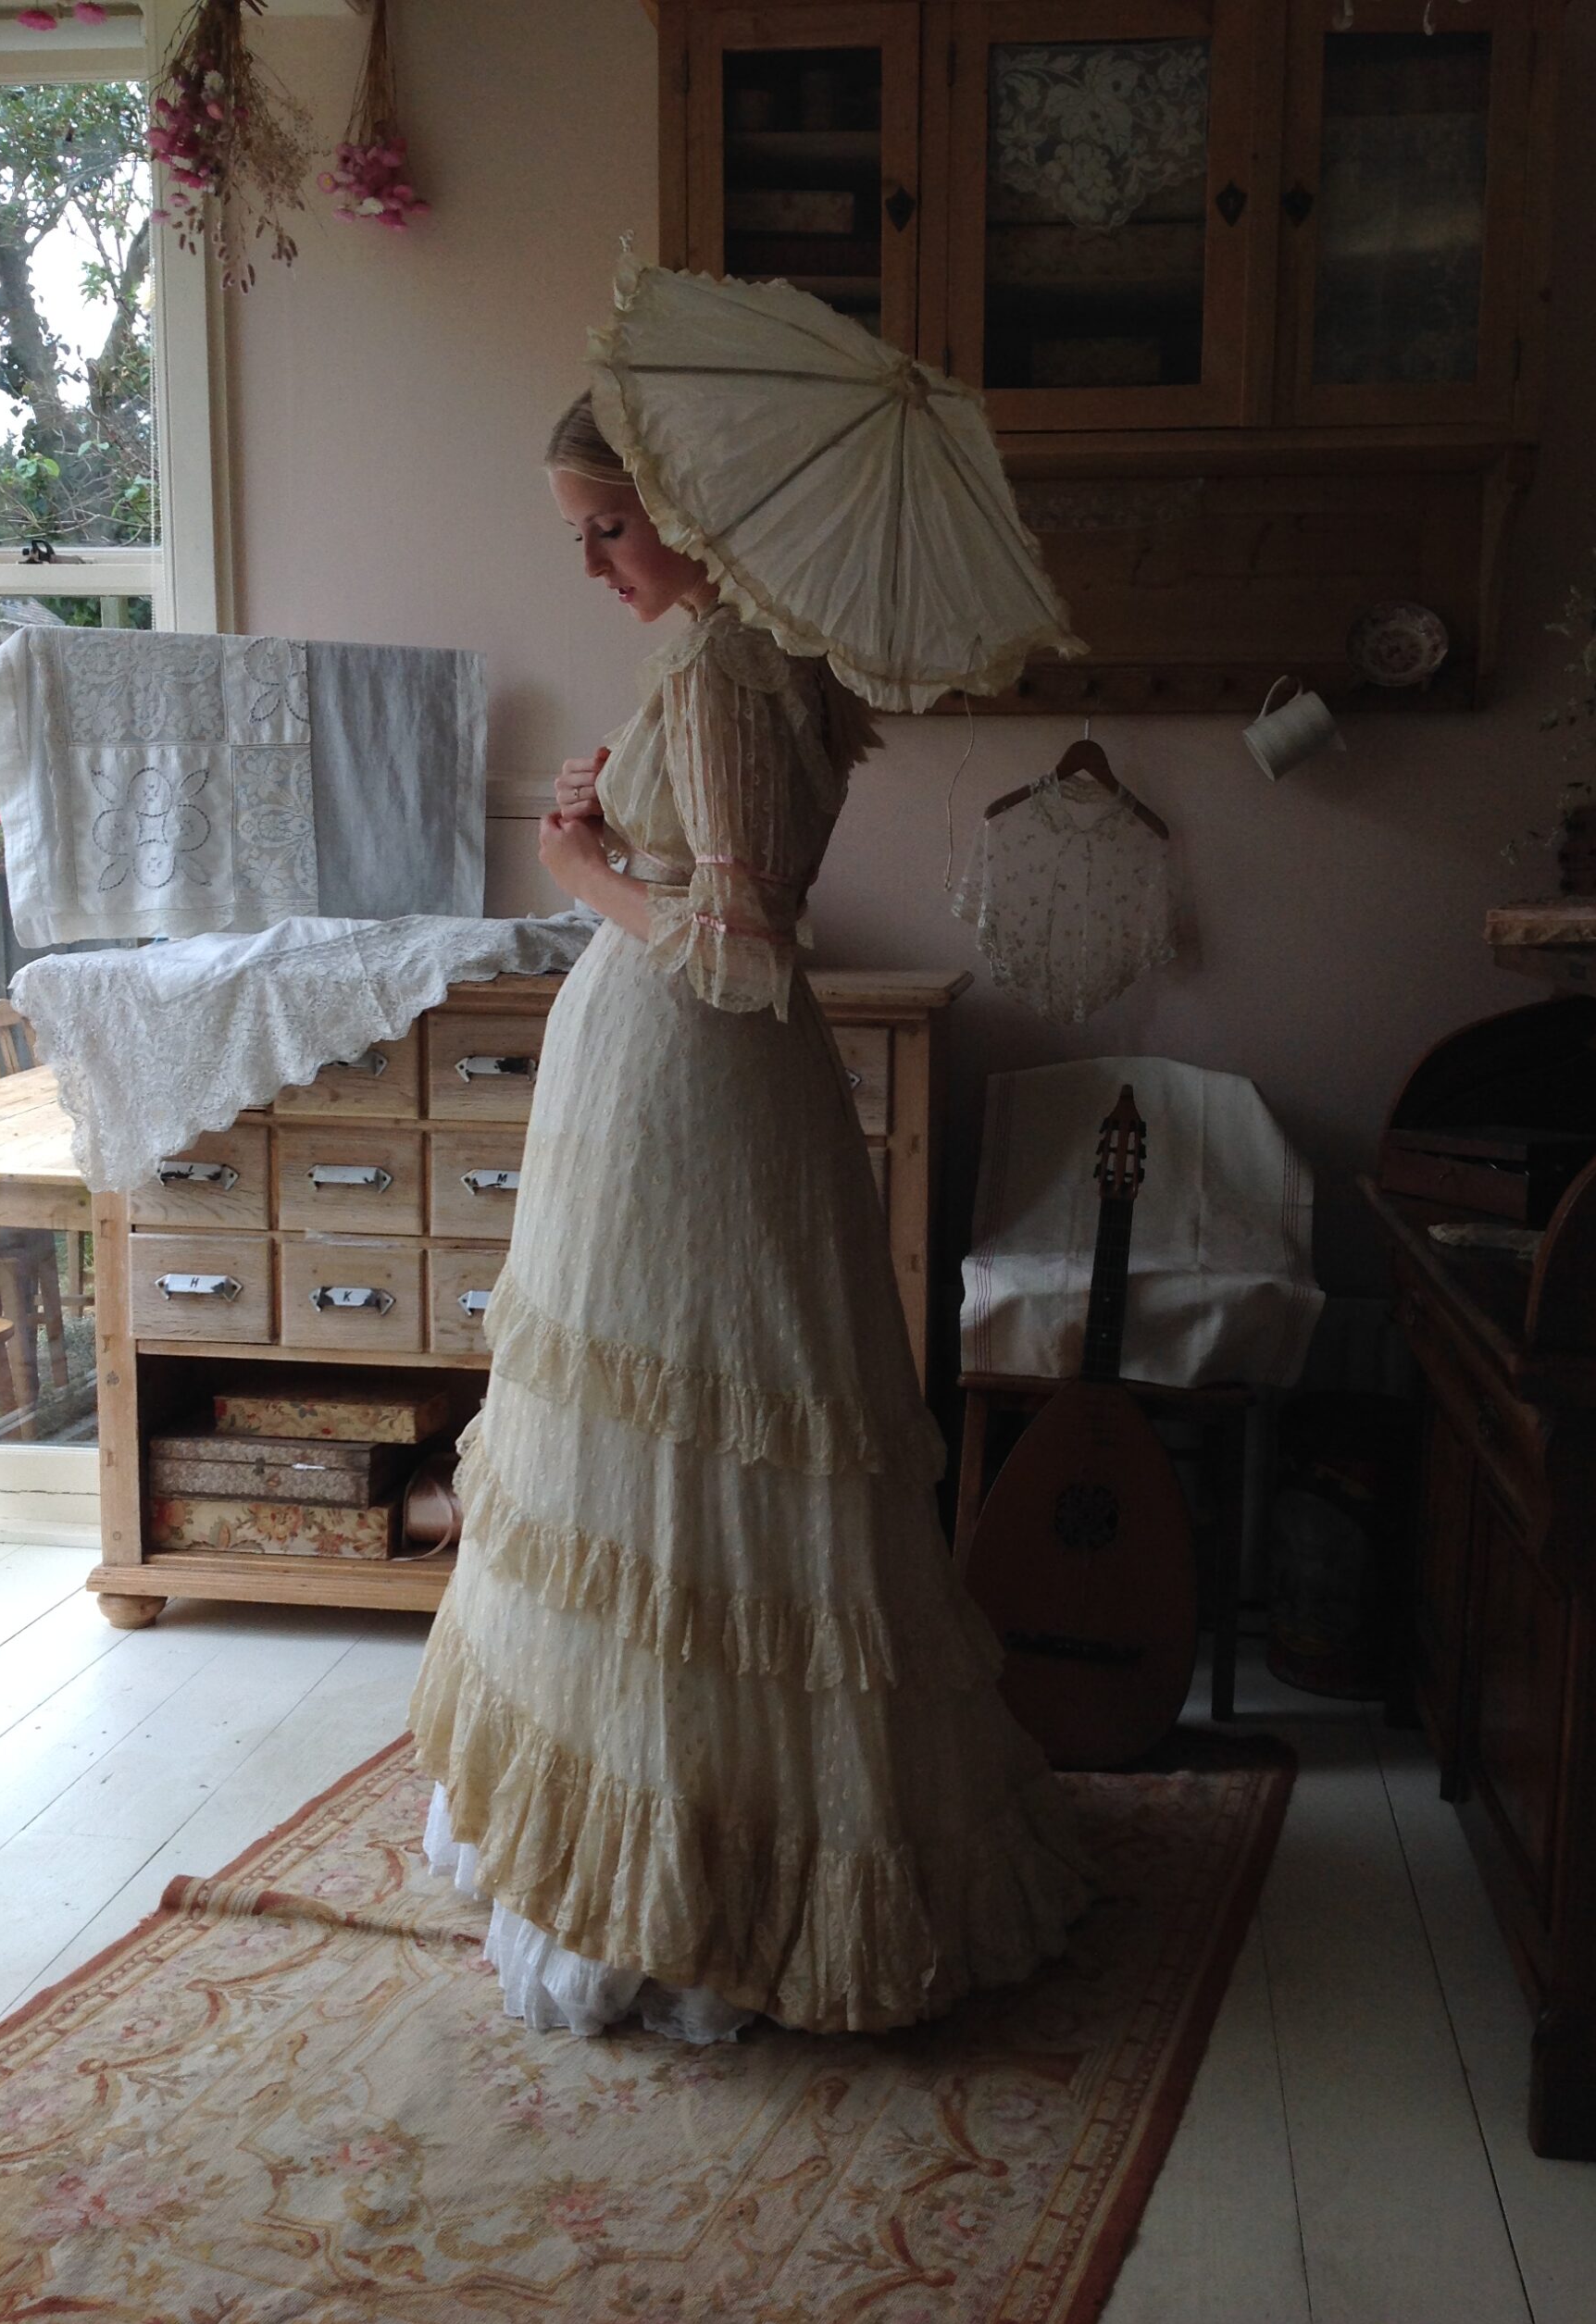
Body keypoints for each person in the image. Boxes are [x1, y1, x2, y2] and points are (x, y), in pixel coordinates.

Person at [409, 391, 1094, 2040]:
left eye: (609, 528)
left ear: (691, 512)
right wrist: (619, 814)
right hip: (717, 1099)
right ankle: (734, 1838)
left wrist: (578, 864)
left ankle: (687, 1892)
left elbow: (736, 949)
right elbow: (741, 877)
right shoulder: (777, 657)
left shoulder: (717, 660)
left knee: (671, 1457)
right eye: (576, 531)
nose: (590, 563)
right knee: (727, 1451)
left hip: (689, 1093)